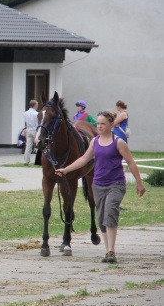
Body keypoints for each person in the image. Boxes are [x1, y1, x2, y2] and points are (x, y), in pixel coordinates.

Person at [55, 110, 145, 263]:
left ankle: (111, 251)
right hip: (98, 184)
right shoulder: (94, 142)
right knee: (102, 218)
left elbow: (130, 162)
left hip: (116, 184)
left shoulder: (119, 142)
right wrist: (66, 169)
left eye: (103, 124)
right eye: (98, 124)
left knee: (110, 213)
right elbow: (84, 159)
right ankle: (107, 250)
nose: (100, 126)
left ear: (111, 125)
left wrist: (139, 182)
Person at [23, 99, 39, 166]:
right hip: (35, 130)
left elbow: (26, 122)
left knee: (28, 146)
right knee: (39, 145)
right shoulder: (37, 114)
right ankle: (38, 160)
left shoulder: (25, 113)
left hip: (28, 130)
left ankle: (26, 161)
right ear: (35, 105)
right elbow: (38, 123)